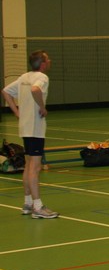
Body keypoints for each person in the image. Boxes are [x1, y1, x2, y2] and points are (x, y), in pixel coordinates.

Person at [2, 50, 58, 218]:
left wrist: (16, 112)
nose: (50, 61)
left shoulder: (24, 77)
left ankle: (27, 203)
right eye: (48, 59)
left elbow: (5, 91)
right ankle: (38, 207)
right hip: (35, 128)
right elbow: (35, 90)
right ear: (43, 64)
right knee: (35, 167)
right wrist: (42, 107)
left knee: (28, 165)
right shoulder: (42, 77)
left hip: (25, 127)